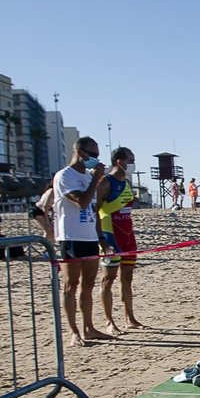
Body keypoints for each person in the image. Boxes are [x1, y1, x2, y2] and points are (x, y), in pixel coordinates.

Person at [53, 138, 111, 346]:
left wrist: (102, 240)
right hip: (70, 238)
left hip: (89, 237)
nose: (95, 159)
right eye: (92, 154)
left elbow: (92, 211)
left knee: (88, 284)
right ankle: (73, 331)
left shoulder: (88, 177)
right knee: (70, 285)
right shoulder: (64, 176)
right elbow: (81, 202)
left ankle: (89, 327)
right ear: (80, 152)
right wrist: (96, 181)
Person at [96, 146, 147, 332]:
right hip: (111, 235)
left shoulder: (126, 183)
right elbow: (96, 212)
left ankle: (130, 318)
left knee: (127, 277)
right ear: (120, 161)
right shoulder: (104, 182)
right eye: (131, 160)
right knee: (107, 279)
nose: (133, 164)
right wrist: (101, 239)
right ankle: (109, 322)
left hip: (127, 234)